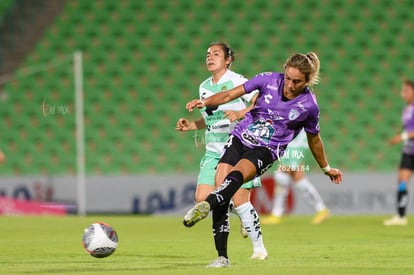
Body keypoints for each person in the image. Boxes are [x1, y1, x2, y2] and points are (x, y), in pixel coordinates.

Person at [182, 52, 342, 266]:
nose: (290, 85)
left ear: (307, 81)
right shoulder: (267, 79)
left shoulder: (309, 105)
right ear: (284, 71)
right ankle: (222, 257)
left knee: (236, 177)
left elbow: (315, 141)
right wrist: (206, 101)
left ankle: (207, 204)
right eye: (288, 78)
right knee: (222, 186)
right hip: (240, 137)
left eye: (297, 81)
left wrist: (326, 168)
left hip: (267, 149)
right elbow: (230, 95)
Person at [176, 42, 267, 268]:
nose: (210, 57)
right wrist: (192, 125)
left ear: (228, 60)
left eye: (216, 54)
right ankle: (240, 213)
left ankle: (249, 249)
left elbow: (260, 102)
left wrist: (242, 112)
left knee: (232, 199)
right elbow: (209, 118)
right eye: (207, 54)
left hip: (238, 148)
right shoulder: (204, 86)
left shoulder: (238, 81)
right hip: (213, 151)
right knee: (202, 199)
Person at [261, 129, 330, 225]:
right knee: (296, 178)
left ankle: (276, 214)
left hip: (295, 139)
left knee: (283, 174)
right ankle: (321, 209)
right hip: (292, 138)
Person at [384, 80, 414, 226]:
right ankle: (401, 217)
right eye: (403, 91)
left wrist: (400, 137)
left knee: (402, 180)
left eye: (407, 91)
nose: (404, 94)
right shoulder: (406, 109)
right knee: (402, 181)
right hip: (408, 150)